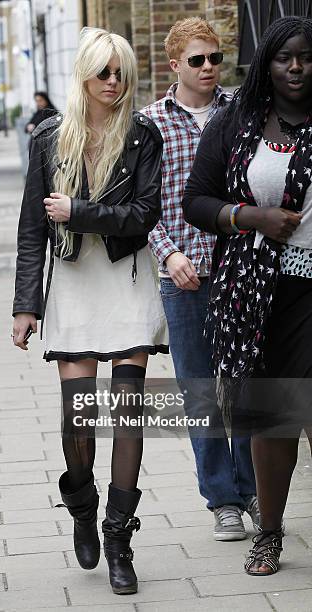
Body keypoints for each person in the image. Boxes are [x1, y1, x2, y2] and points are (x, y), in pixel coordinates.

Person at [12, 27, 168, 595]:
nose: (113, 81)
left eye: (120, 71)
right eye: (103, 71)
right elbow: (32, 229)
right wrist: (25, 306)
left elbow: (144, 214)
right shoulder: (50, 138)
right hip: (74, 284)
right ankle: (82, 502)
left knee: (127, 412)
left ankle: (120, 540)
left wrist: (78, 210)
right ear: (83, 73)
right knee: (79, 415)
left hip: (126, 278)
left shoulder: (142, 134)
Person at [183, 16, 312, 576]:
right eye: (285, 58)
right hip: (258, 293)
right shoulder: (237, 120)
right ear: (267, 63)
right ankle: (270, 533)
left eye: (307, 57)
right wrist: (249, 216)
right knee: (273, 416)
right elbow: (196, 201)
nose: (298, 67)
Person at [142, 16, 257, 541]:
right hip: (182, 276)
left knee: (247, 384)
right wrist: (168, 257)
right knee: (200, 392)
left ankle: (253, 485)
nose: (209, 67)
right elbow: (144, 206)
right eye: (197, 60)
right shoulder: (150, 124)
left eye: (215, 58)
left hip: (241, 272)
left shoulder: (246, 111)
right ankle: (221, 498)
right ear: (174, 65)